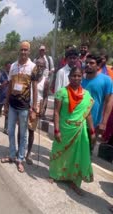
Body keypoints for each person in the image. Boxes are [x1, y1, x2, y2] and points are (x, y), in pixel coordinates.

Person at [49, 67, 95, 195]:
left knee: (77, 156)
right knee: (58, 151)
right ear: (69, 77)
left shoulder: (86, 95)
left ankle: (74, 181)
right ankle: (54, 174)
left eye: (79, 76)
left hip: (79, 131)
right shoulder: (61, 93)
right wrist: (56, 130)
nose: (76, 78)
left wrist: (92, 131)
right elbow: (57, 113)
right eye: (74, 76)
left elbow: (89, 115)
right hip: (64, 129)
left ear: (82, 77)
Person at [0, 41, 38, 173]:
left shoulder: (33, 67)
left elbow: (34, 88)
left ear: (29, 51)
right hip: (12, 105)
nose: (23, 52)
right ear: (19, 51)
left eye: (25, 50)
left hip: (24, 107)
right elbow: (10, 85)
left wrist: (34, 108)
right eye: (21, 50)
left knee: (23, 134)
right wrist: (5, 103)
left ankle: (20, 158)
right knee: (10, 131)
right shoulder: (13, 66)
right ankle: (11, 155)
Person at [81, 54, 113, 153]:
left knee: (87, 151)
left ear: (98, 66)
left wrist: (104, 122)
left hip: (93, 124)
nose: (88, 65)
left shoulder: (106, 80)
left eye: (91, 63)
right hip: (76, 122)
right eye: (86, 62)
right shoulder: (78, 78)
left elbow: (109, 102)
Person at [25, 58, 49, 165]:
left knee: (31, 131)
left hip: (37, 106)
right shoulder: (30, 78)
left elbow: (45, 96)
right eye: (38, 65)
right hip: (26, 105)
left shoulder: (45, 81)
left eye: (42, 66)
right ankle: (20, 150)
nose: (39, 67)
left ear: (44, 68)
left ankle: (28, 153)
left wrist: (43, 108)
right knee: (21, 130)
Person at [0, 62, 10, 135]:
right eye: (8, 67)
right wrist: (3, 84)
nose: (9, 68)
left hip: (8, 98)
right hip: (1, 96)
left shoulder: (12, 75)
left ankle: (6, 128)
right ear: (5, 67)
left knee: (7, 113)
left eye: (10, 67)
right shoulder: (1, 75)